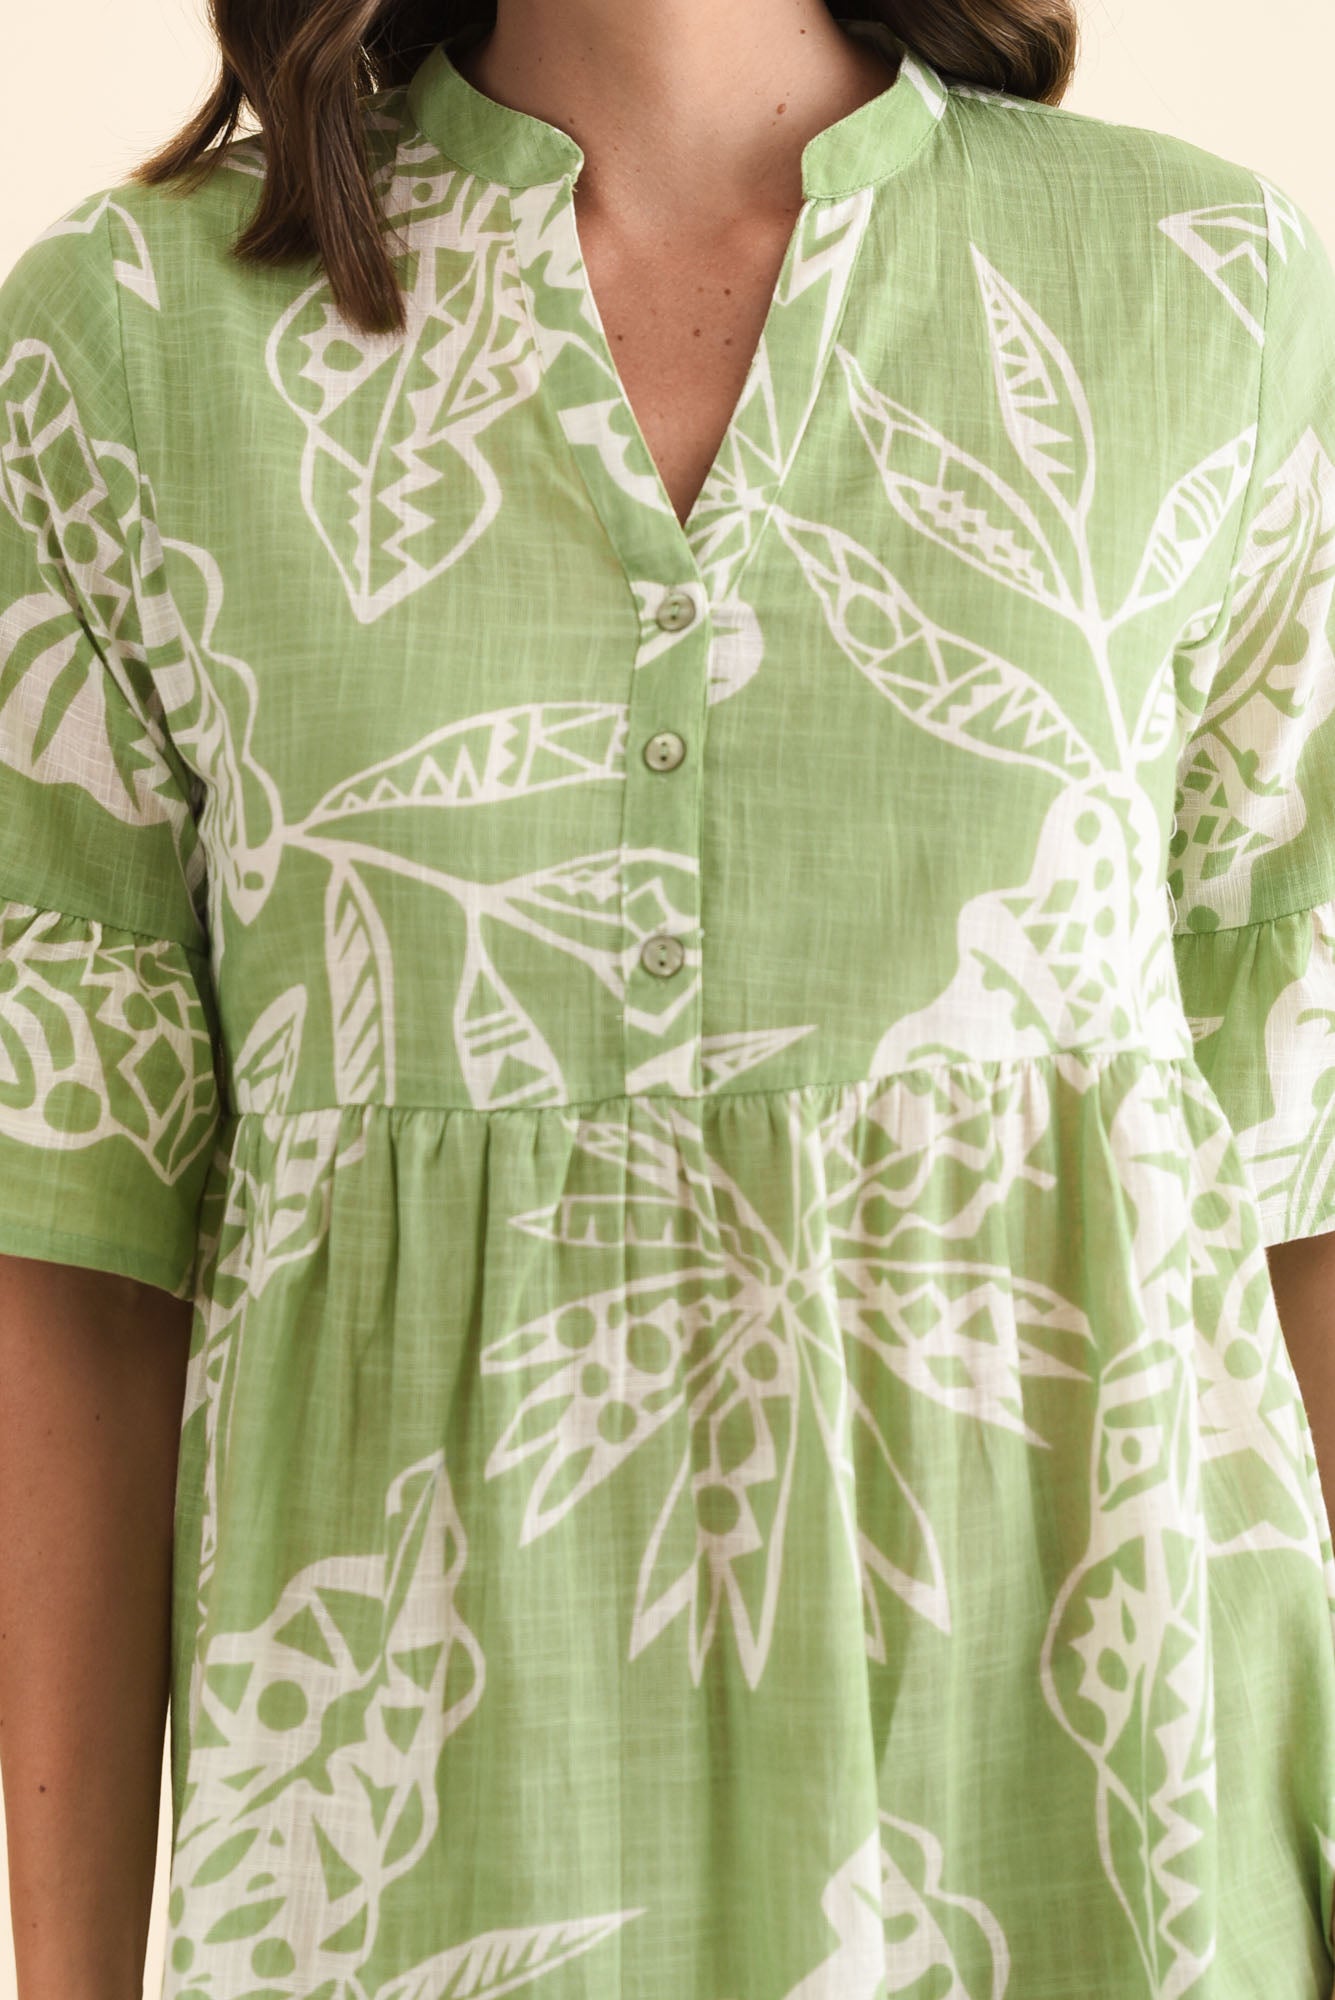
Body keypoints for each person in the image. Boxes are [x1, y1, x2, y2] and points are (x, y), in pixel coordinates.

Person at [2, 0, 1334, 1992]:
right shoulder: (131, 344)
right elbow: (74, 1257)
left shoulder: (1205, 292)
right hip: (418, 1863)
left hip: (1098, 1831)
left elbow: (1301, 1173)